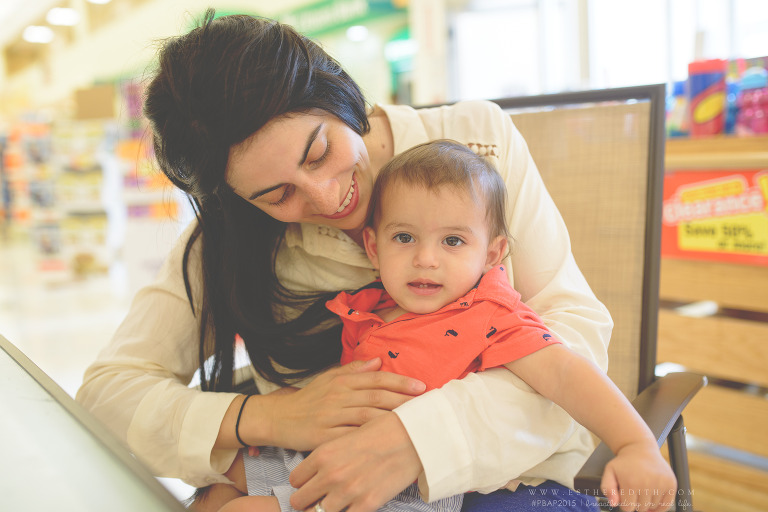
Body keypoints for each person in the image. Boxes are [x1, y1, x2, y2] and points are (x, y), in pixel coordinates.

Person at [76, 10, 620, 512]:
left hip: (506, 473)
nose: (326, 196)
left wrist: (416, 440)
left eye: (319, 152)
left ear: (337, 93)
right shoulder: (232, 235)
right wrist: (271, 416)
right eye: (276, 195)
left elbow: (573, 329)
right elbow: (107, 394)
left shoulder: (477, 147)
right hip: (324, 474)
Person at [204, 141, 676, 512]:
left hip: (405, 488)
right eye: (404, 237)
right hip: (330, 450)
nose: (425, 259)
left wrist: (635, 445)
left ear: (491, 255)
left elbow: (566, 374)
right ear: (373, 247)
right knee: (216, 488)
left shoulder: (489, 315)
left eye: (453, 240)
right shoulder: (372, 305)